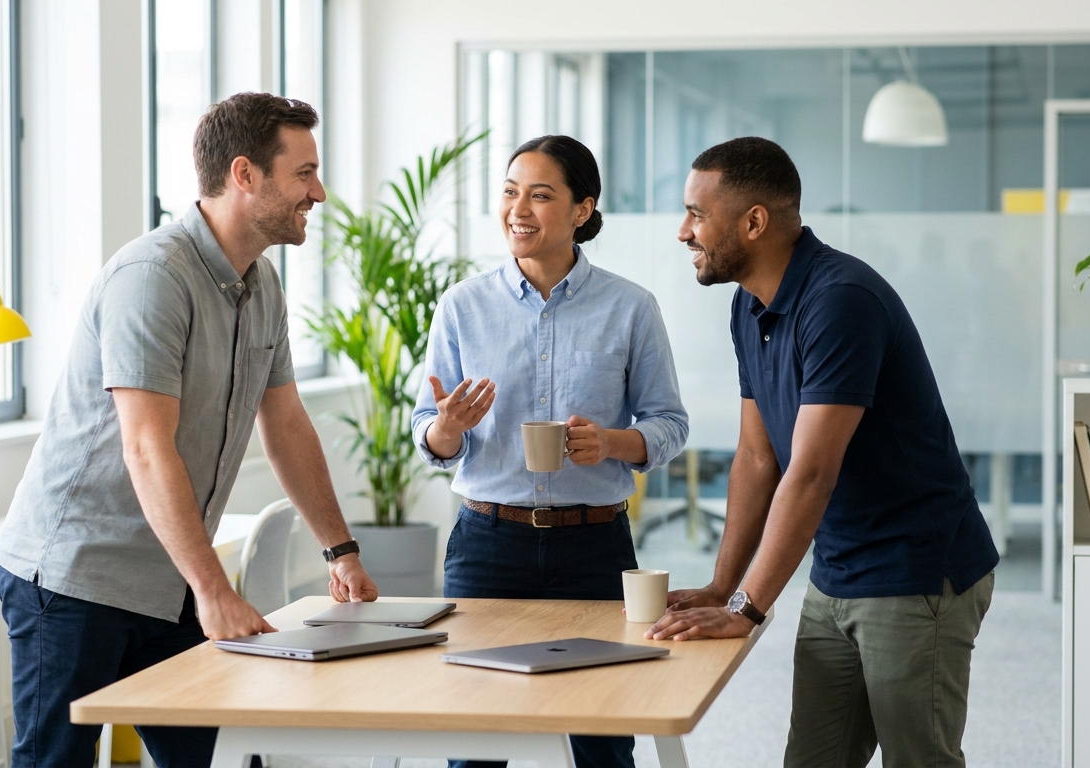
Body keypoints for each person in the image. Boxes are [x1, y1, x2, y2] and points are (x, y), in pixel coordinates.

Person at [0, 92, 378, 768]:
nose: (317, 192)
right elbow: (146, 445)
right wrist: (213, 591)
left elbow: (284, 423)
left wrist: (338, 550)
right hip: (78, 576)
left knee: (217, 752)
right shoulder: (153, 277)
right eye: (304, 173)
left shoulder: (261, 286)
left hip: (169, 577)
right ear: (244, 174)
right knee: (55, 760)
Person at [647, 137, 998, 768]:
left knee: (919, 760)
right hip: (836, 570)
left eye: (697, 213)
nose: (682, 231)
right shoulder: (749, 304)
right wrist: (724, 586)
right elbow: (758, 457)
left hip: (913, 570)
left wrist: (748, 609)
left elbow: (810, 473)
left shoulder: (840, 300)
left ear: (754, 222)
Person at [411, 135, 688, 768]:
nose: (519, 209)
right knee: (474, 739)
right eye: (510, 192)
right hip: (487, 545)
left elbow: (669, 422)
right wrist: (447, 429)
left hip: (593, 548)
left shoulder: (631, 307)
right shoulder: (462, 306)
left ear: (582, 209)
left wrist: (614, 443)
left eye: (540, 195)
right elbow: (428, 429)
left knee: (601, 736)